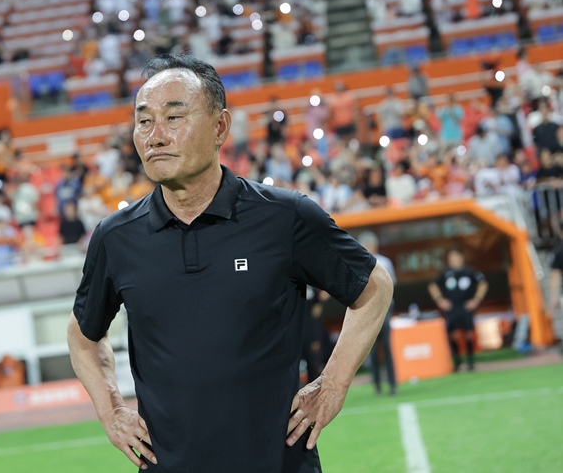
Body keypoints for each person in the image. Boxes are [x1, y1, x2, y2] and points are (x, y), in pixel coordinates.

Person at [67, 54, 393, 473]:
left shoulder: (284, 217)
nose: (155, 136)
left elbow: (373, 286)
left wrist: (333, 383)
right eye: (144, 121)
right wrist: (112, 409)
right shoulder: (116, 237)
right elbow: (83, 336)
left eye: (173, 117)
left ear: (220, 127)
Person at [428, 247, 488, 372]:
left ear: (461, 257)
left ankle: (471, 361)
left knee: (469, 334)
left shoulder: (469, 271)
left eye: (455, 257)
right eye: (451, 257)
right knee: (453, 335)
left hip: (466, 306)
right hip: (452, 308)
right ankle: (457, 362)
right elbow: (432, 285)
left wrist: (476, 299)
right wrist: (440, 300)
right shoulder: (446, 273)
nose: (453, 260)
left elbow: (483, 284)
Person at [358, 232, 397, 396]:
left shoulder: (385, 262)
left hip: (384, 306)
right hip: (367, 308)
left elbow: (392, 283)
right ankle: (377, 385)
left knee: (387, 346)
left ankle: (393, 384)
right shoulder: (358, 262)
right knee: (371, 348)